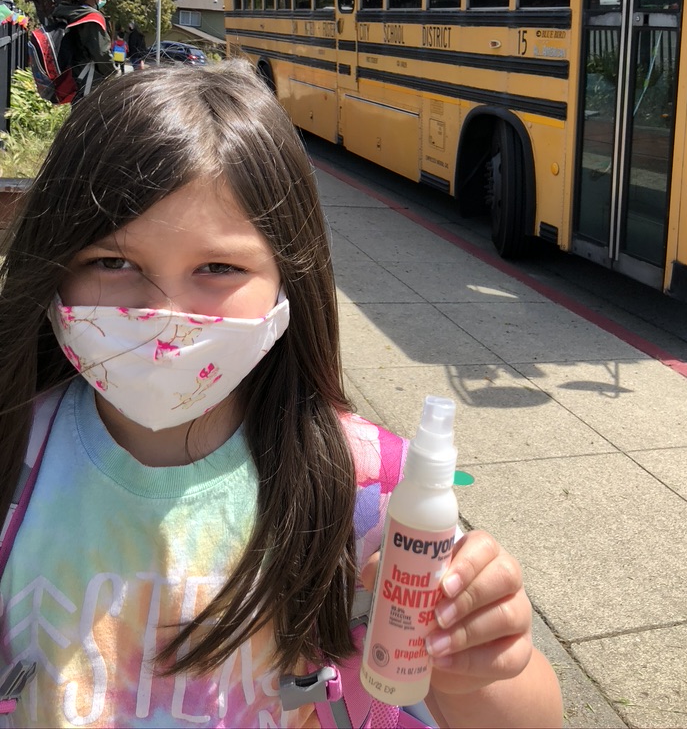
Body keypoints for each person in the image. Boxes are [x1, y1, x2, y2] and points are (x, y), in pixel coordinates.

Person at [0, 62, 562, 729]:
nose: (165, 315)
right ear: (53, 266)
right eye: (113, 263)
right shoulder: (13, 454)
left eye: (218, 268)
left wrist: (485, 661)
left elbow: (520, 716)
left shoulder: (364, 493)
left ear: (287, 281)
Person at [50, 0, 116, 103]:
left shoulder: (67, 12)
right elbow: (101, 53)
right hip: (89, 81)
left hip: (72, 78)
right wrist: (114, 74)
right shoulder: (91, 18)